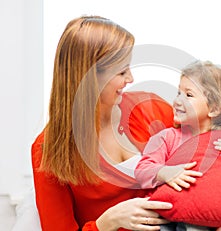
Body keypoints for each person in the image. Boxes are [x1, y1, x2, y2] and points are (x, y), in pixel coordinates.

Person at [31, 15, 175, 231]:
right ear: (89, 79)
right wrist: (106, 223)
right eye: (121, 71)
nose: (131, 78)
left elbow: (202, 156)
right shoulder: (48, 149)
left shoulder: (150, 107)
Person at [135, 60, 221, 230]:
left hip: (206, 218)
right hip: (165, 215)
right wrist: (165, 172)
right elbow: (142, 171)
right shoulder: (166, 138)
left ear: (214, 108)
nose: (177, 100)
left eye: (188, 95)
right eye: (178, 92)